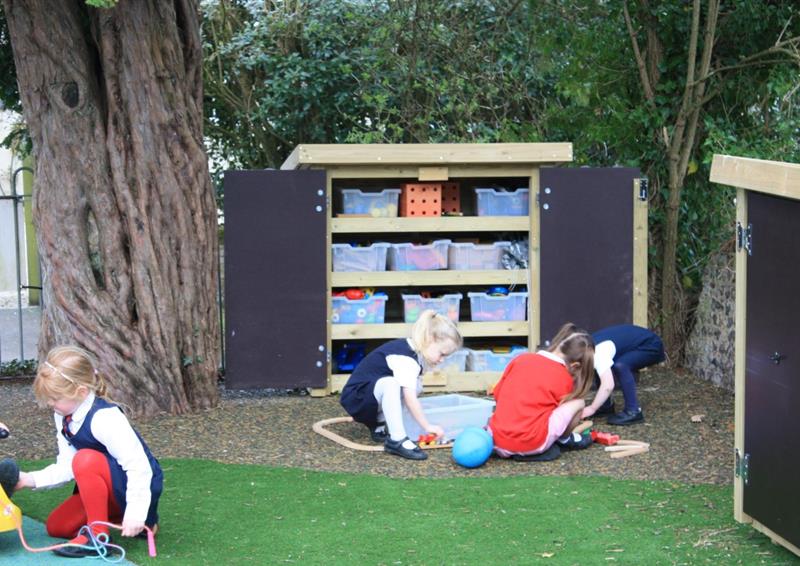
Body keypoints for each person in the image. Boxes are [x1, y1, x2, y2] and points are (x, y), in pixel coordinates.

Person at [14, 346, 163, 558]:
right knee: (58, 527)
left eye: (55, 398)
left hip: (134, 486)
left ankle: (100, 535)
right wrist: (28, 479)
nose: (50, 403)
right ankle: (112, 519)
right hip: (102, 488)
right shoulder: (64, 414)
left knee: (85, 459)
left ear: (81, 392)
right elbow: (67, 465)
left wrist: (136, 513)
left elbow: (139, 467)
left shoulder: (105, 418)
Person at [340, 309, 462, 460]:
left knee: (415, 384)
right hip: (356, 398)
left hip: (368, 396)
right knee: (392, 384)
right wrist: (427, 426)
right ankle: (397, 439)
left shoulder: (415, 353)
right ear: (429, 339)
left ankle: (379, 424)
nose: (442, 360)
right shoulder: (407, 359)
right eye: (442, 354)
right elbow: (409, 399)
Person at [489, 323, 595, 462]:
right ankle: (565, 440)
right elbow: (559, 413)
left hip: (496, 441)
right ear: (575, 366)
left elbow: (498, 395)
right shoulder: (563, 377)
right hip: (531, 443)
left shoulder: (521, 359)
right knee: (578, 402)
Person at [582, 324, 666, 425]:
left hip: (651, 345)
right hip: (638, 343)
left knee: (621, 365)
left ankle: (633, 411)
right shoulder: (585, 347)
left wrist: (592, 408)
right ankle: (605, 406)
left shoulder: (597, 353)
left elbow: (608, 386)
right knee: (600, 366)